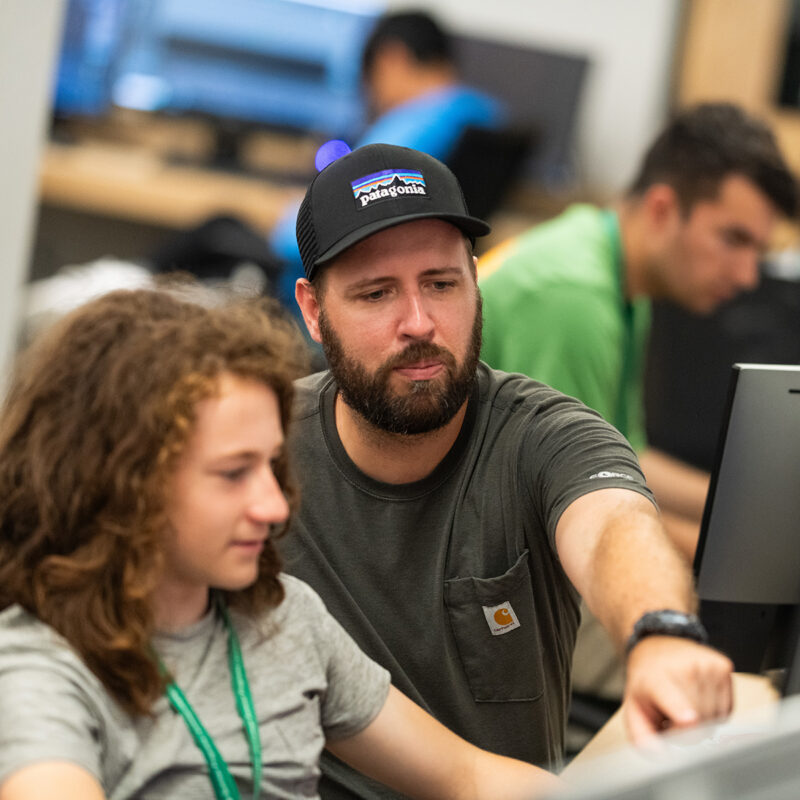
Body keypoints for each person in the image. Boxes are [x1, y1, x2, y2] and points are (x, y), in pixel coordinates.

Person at [281, 142, 734, 799]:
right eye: (376, 293)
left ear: (475, 280)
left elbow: (614, 526)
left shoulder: (544, 436)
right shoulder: (259, 452)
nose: (420, 322)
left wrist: (660, 633)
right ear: (314, 311)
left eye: (442, 283)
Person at [0, 287, 563, 799]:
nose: (273, 508)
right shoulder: (40, 670)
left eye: (271, 465)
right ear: (121, 480)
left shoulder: (285, 619)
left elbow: (469, 778)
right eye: (232, 473)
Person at [478, 102, 797, 709]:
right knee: (741, 685)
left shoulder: (617, 275)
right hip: (501, 589)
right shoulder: (575, 300)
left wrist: (756, 519)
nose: (749, 274)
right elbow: (586, 503)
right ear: (661, 209)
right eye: (733, 239)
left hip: (545, 554)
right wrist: (739, 554)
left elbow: (626, 455)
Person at [270, 10, 504, 308]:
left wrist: (283, 221)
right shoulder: (485, 114)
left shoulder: (414, 126)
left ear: (392, 59)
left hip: (345, 297)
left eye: (370, 79)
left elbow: (310, 238)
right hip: (424, 285)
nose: (372, 96)